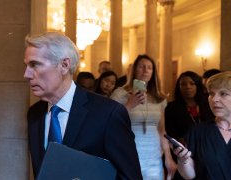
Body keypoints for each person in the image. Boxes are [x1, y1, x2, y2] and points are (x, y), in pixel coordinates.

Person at [23, 32, 142, 180]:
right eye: (27, 65)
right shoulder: (35, 114)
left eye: (35, 64)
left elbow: (131, 177)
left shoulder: (108, 113)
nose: (26, 74)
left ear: (64, 65)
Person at [111, 54, 176, 179]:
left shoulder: (159, 98)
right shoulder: (120, 93)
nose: (146, 70)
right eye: (141, 66)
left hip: (154, 155)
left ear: (153, 72)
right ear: (134, 69)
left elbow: (162, 130)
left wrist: (168, 157)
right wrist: (129, 104)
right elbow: (110, 123)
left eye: (149, 67)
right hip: (129, 153)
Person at [172, 71, 231, 179]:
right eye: (211, 94)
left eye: (223, 93)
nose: (214, 99)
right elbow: (189, 176)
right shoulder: (198, 131)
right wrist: (183, 161)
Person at [165, 71, 212, 179]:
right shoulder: (171, 107)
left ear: (198, 85)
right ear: (178, 87)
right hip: (184, 152)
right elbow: (170, 132)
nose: (187, 87)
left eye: (192, 83)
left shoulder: (207, 104)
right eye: (183, 84)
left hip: (206, 150)